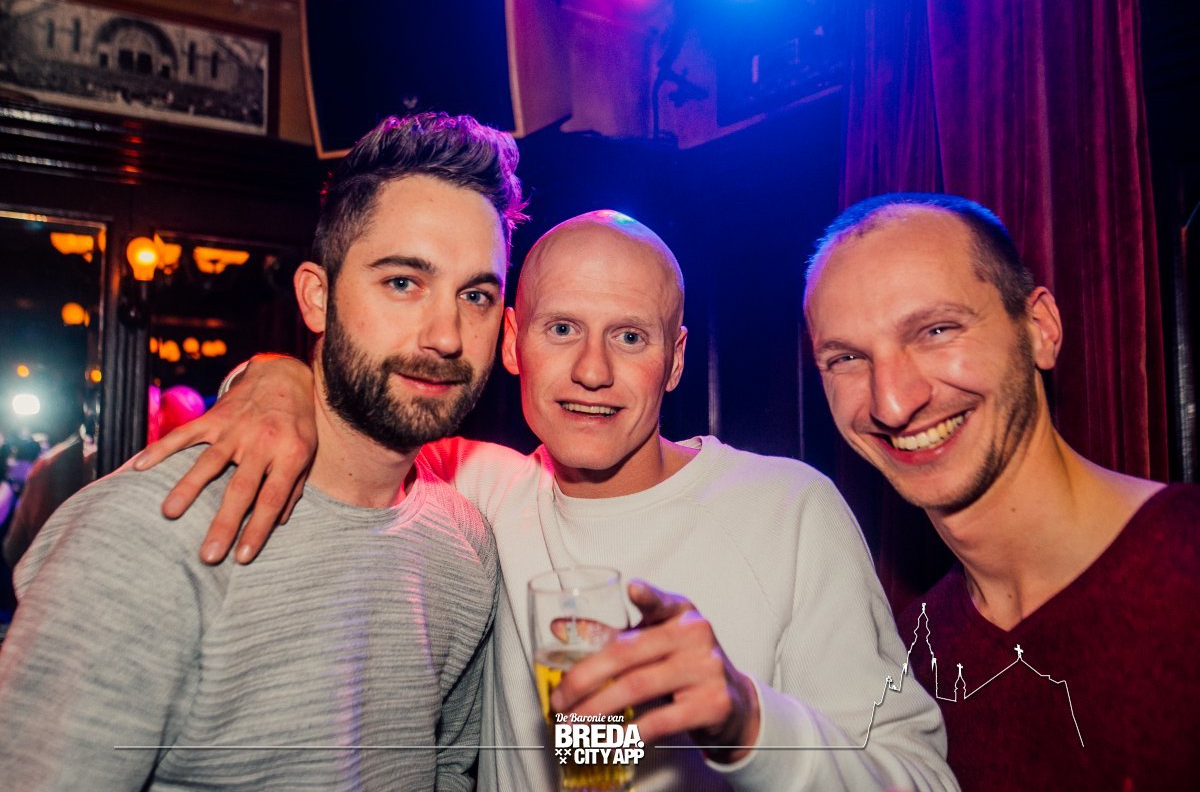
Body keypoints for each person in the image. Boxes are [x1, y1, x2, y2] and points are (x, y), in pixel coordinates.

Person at [137, 211, 958, 792]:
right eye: (562, 329)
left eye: (629, 336)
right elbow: (353, 419)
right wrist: (272, 377)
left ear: (675, 360)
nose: (592, 370)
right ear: (511, 343)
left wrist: (749, 721)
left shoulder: (789, 510)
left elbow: (921, 778)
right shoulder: (476, 489)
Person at [0, 111, 525, 791]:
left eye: (476, 294)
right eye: (403, 282)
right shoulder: (153, 531)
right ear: (317, 297)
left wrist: (673, 743)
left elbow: (452, 770)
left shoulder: (474, 535)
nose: (447, 335)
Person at [803, 192, 1199, 791]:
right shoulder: (911, 658)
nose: (892, 402)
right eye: (848, 358)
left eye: (936, 330)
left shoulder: (1186, 565)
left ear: (1040, 329)